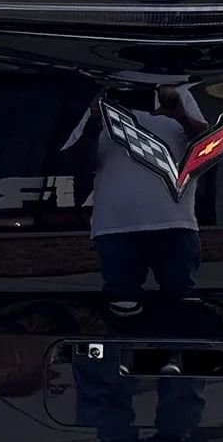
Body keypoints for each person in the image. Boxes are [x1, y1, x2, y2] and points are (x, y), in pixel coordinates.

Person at [88, 84, 208, 315]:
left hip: (174, 221)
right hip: (116, 225)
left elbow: (208, 147)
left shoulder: (178, 92)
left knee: (183, 305)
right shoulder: (102, 98)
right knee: (122, 306)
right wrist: (95, 123)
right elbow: (80, 163)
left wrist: (180, 116)